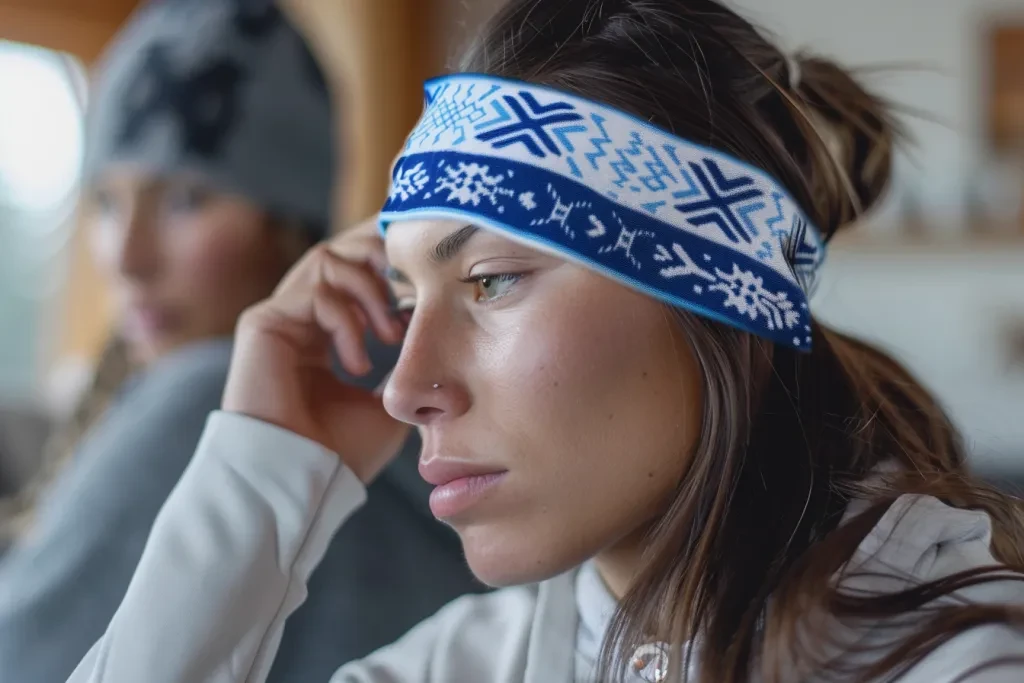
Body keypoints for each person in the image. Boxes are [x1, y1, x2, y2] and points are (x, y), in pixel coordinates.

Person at [66, 0, 1024, 681]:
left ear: (718, 301)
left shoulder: (960, 661)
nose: (405, 388)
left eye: (489, 280)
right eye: (405, 296)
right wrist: (262, 470)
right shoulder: (466, 660)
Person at [0, 1, 480, 681]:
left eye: (185, 199)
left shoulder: (203, 392)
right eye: (107, 202)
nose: (125, 257)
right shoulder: (406, 402)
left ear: (287, 224)